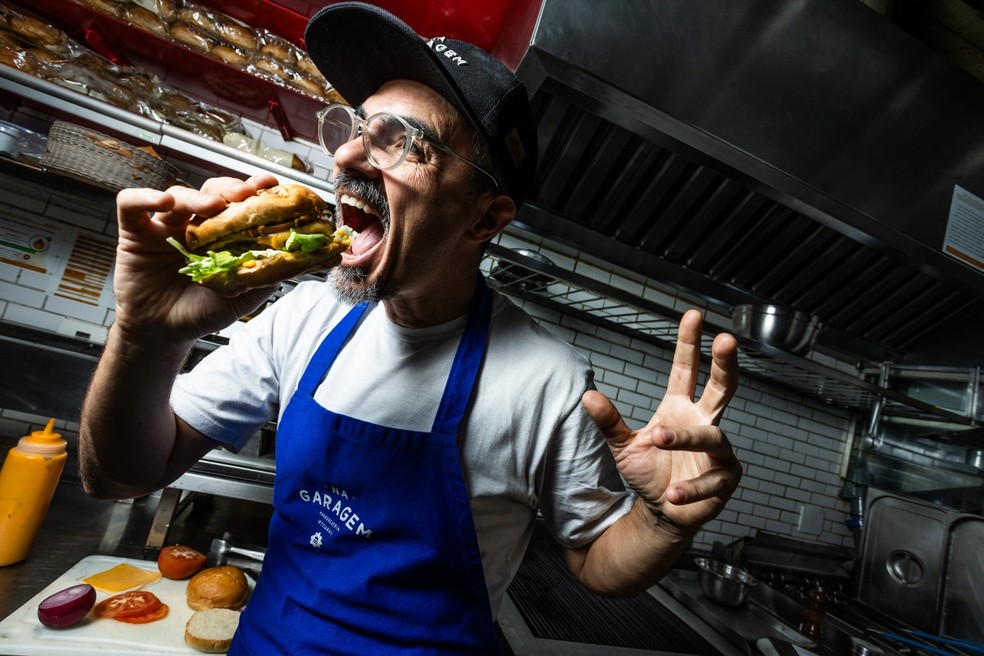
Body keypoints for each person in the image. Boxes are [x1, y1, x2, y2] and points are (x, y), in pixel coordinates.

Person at [79, 2, 742, 654]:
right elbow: (118, 476)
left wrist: (662, 520)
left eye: (403, 143)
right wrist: (144, 336)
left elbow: (596, 560)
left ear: (483, 219)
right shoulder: (303, 318)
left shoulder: (546, 380)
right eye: (359, 130)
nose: (350, 159)